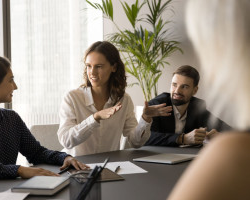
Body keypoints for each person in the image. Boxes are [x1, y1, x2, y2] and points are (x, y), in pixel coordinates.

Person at [0, 54, 87, 180]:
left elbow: (36, 153)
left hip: (12, 192)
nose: (15, 87)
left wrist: (64, 158)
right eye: (10, 80)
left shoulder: (12, 118)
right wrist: (18, 170)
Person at [168, 0, 250, 199]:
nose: (177, 90)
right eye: (174, 85)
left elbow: (223, 126)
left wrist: (223, 140)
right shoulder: (158, 104)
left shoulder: (234, 153)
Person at [57, 41, 172, 156]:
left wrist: (145, 118)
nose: (92, 72)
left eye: (99, 66)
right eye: (88, 66)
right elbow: (66, 140)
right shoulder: (72, 98)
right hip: (76, 166)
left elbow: (136, 142)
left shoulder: (124, 100)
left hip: (109, 166)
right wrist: (95, 118)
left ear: (114, 67)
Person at [144, 65, 231, 146]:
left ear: (195, 90)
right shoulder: (156, 105)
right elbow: (145, 137)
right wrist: (182, 139)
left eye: (184, 87)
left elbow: (231, 131)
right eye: (174, 85)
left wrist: (221, 136)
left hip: (188, 158)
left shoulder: (197, 107)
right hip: (157, 158)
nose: (177, 91)